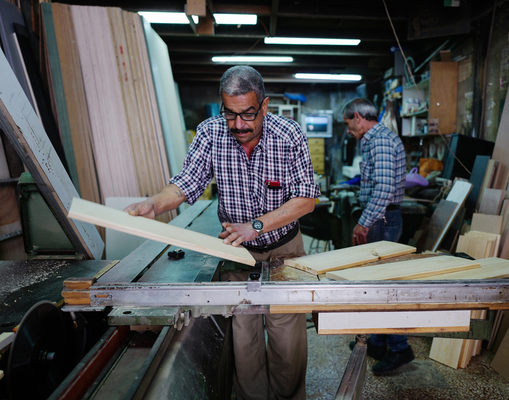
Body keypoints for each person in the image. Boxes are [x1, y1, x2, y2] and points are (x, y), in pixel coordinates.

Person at [125, 65, 320, 399]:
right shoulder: (210, 133)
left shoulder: (289, 136)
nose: (239, 125)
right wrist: (153, 205)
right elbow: (187, 183)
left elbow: (306, 199)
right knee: (244, 346)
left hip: (284, 251)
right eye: (230, 115)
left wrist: (256, 226)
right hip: (236, 255)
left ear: (265, 105)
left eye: (247, 114)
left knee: (287, 347)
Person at [342, 98, 414, 374]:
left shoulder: (380, 141)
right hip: (380, 218)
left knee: (383, 288)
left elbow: (383, 188)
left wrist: (363, 223)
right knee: (375, 283)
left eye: (349, 125)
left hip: (381, 220)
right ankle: (378, 342)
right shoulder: (374, 139)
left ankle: (400, 348)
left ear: (358, 117)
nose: (349, 131)